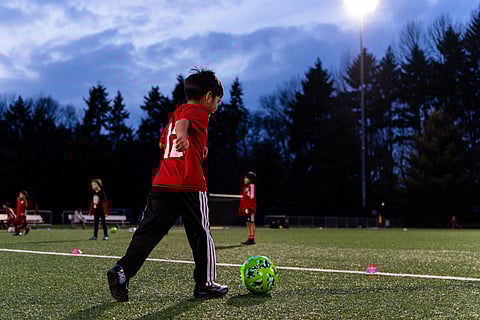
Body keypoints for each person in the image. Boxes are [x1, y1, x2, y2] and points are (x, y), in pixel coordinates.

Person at [107, 68, 228, 302]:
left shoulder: (176, 113)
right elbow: (184, 125)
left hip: (163, 184)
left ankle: (122, 271)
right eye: (217, 101)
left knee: (147, 234)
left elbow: (163, 144)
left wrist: (191, 146)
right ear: (208, 96)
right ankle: (205, 283)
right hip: (189, 186)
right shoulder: (199, 112)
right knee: (201, 233)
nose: (216, 107)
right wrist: (184, 136)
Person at [239, 172, 257, 245]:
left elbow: (252, 197)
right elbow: (244, 199)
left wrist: (250, 207)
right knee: (248, 223)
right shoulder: (245, 187)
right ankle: (249, 237)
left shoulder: (251, 186)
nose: (245, 179)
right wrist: (243, 208)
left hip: (251, 208)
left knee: (251, 223)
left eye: (246, 178)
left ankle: (252, 239)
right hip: (246, 208)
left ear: (250, 179)